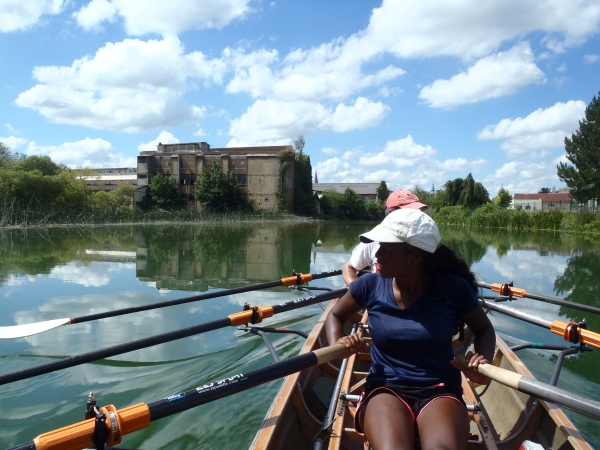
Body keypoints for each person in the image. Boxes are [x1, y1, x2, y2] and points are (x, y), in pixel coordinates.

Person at [326, 209, 495, 450]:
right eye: (378, 247)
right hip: (385, 388)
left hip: (440, 388)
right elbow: (336, 315)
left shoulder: (452, 288)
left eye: (386, 249)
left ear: (415, 256)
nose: (377, 255)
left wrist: (483, 365)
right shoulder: (370, 285)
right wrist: (337, 345)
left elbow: (484, 329)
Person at [342, 189, 428, 286]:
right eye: (410, 212)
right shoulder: (372, 239)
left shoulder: (425, 242)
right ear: (391, 213)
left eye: (417, 211)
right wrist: (357, 291)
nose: (418, 215)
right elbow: (349, 268)